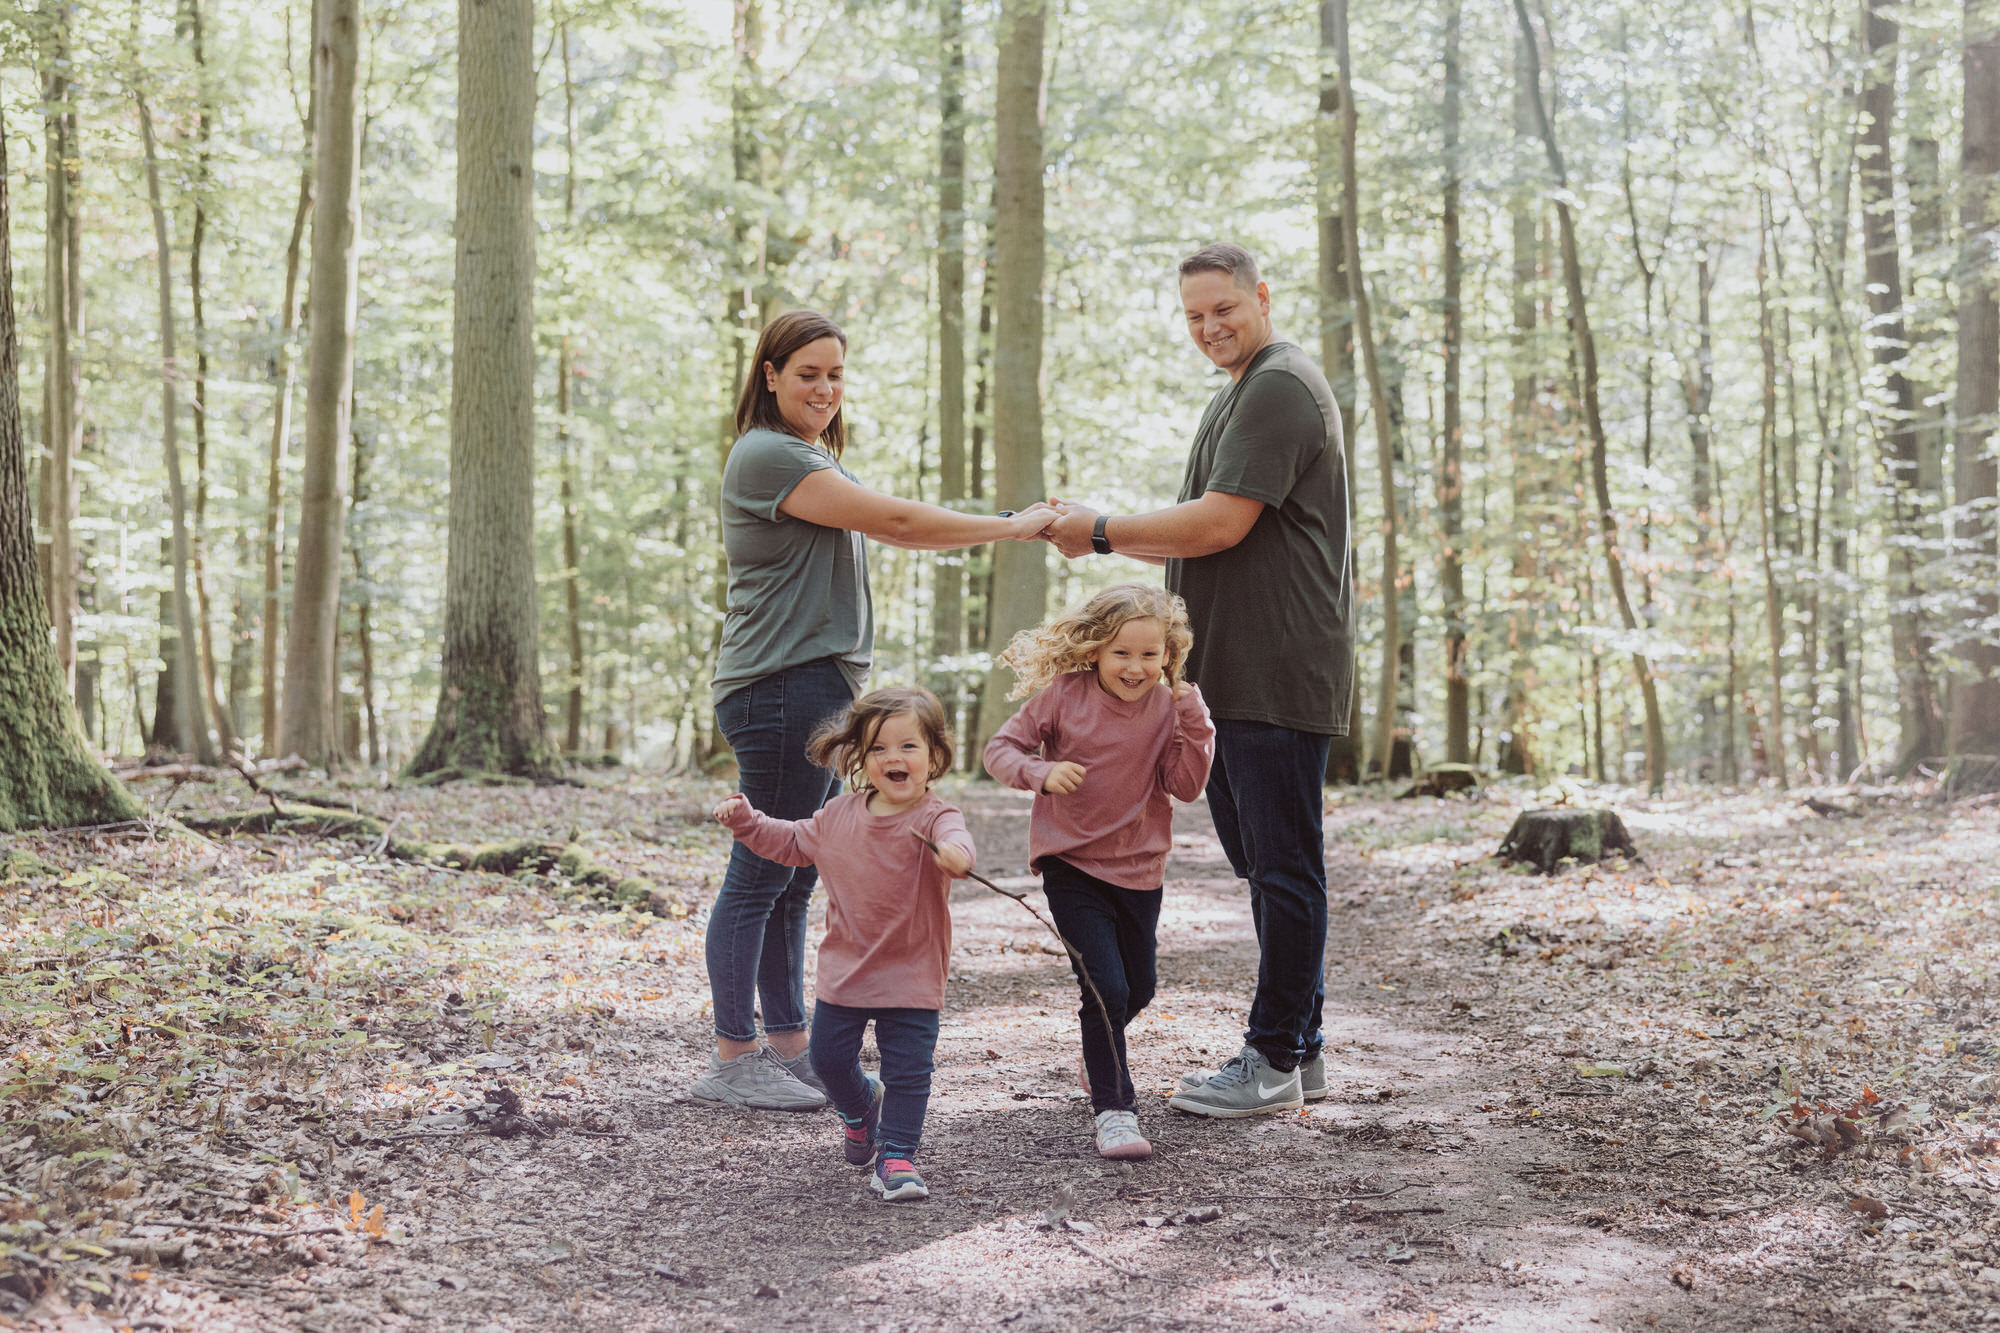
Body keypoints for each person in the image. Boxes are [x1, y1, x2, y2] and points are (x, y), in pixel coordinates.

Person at [695, 310, 1054, 1112]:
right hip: (781, 685)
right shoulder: (768, 454)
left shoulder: (809, 454)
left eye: (835, 374)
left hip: (813, 683)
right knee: (760, 875)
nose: (825, 388)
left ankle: (790, 1046)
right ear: (769, 376)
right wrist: (1012, 526)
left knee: (798, 872)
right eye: (807, 373)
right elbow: (897, 522)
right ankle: (732, 1056)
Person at [1043, 243, 1354, 1118]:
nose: (1210, 327)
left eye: (1224, 308)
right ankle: (1301, 1047)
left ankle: (1274, 1055)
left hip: (1273, 666)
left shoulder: (1279, 386)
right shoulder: (1242, 392)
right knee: (1267, 866)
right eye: (1194, 316)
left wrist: (1098, 530)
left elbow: (1218, 525)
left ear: (1263, 297)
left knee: (1284, 868)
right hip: (1231, 672)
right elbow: (1204, 536)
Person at [714, 686, 974, 1202]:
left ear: (934, 755)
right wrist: (747, 822)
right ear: (860, 756)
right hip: (847, 968)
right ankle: (859, 1109)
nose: (893, 757)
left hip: (913, 970)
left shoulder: (936, 817)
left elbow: (958, 841)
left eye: (908, 746)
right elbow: (791, 842)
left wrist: (956, 855)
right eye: (878, 748)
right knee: (830, 1059)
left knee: (909, 1070)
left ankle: (897, 1156)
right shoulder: (838, 815)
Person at [983, 585, 1214, 1156]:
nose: (1135, 667)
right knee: (1105, 988)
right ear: (1095, 650)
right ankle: (1115, 1111)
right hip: (1071, 862)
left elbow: (1186, 786)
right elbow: (1000, 749)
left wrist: (1195, 718)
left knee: (1139, 988)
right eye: (1121, 653)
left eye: (1149, 654)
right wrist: (1039, 773)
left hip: (1140, 866)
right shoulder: (1065, 695)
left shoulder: (1170, 707)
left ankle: (1098, 1049)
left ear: (1168, 655)